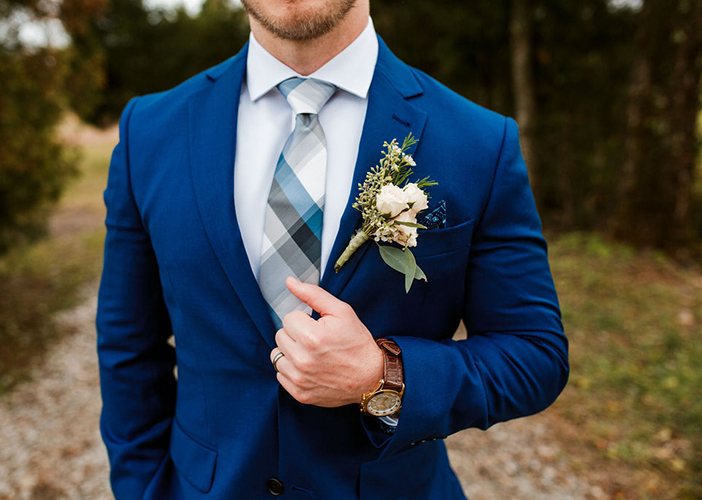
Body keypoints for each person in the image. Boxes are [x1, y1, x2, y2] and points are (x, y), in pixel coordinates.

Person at [96, 0, 569, 498]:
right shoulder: (149, 130)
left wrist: (381, 375)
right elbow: (129, 346)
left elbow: (535, 353)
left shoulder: (478, 141)